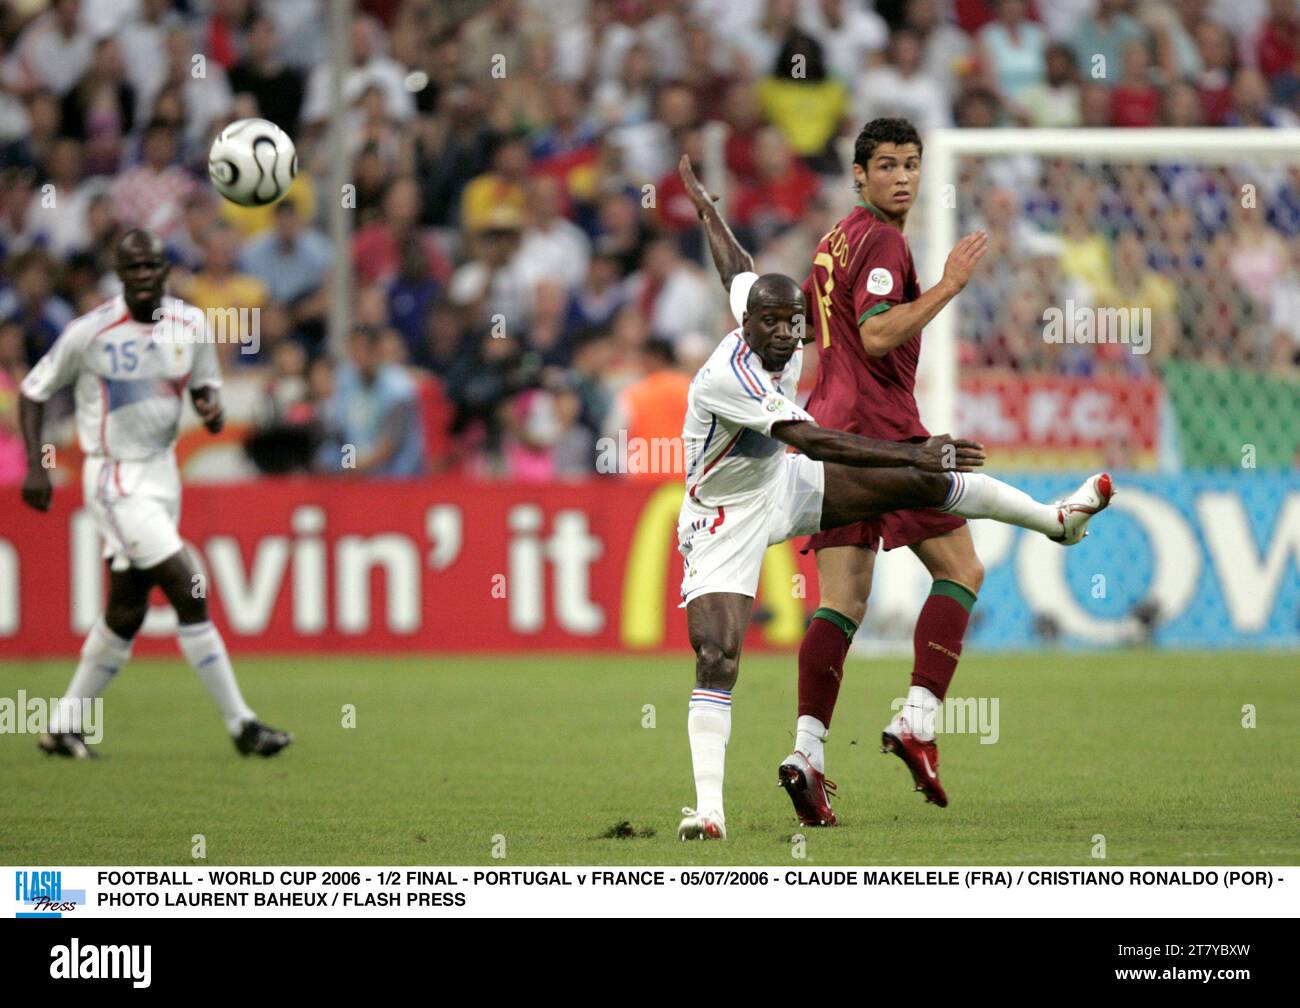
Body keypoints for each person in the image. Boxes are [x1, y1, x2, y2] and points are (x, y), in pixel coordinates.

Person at [674, 157, 1113, 839]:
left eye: (796, 324)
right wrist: (911, 448)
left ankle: (1054, 520)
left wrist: (707, 210)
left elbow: (737, 269)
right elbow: (810, 438)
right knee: (718, 653)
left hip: (780, 483)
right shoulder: (728, 376)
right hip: (722, 515)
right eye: (775, 325)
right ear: (748, 328)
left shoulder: (774, 308)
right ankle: (708, 811)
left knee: (893, 528)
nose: (789, 336)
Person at [17, 229, 291, 759]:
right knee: (188, 586)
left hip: (164, 475)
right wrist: (37, 465)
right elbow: (34, 389)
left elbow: (204, 387)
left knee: (126, 611)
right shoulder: (90, 332)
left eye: (152, 267)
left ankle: (62, 727)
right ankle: (243, 725)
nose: (144, 276)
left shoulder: (191, 324)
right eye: (133, 268)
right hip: (115, 478)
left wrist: (210, 409)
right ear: (120, 275)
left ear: (166, 270)